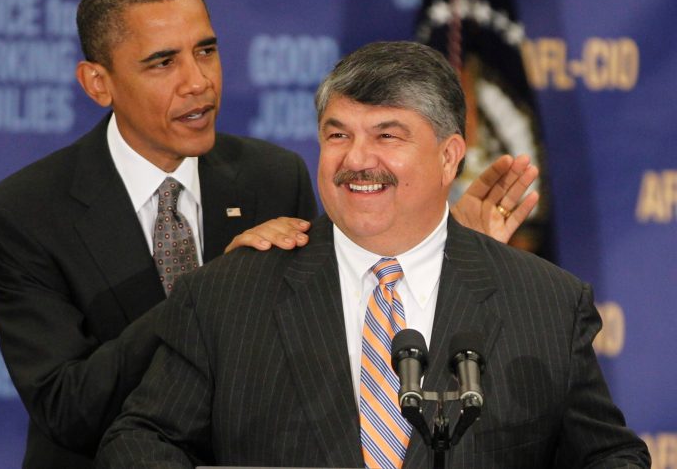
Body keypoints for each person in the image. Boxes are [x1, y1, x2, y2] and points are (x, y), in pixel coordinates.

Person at [0, 0, 538, 468]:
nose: (198, 81)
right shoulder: (25, 213)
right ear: (99, 83)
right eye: (163, 62)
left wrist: (439, 244)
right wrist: (215, 290)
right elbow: (68, 409)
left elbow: (339, 328)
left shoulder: (271, 176)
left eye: (206, 51)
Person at [96, 41, 650, 469]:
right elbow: (141, 440)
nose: (357, 160)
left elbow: (612, 457)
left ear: (449, 156)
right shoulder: (230, 293)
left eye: (387, 136)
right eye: (337, 135)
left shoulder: (548, 304)